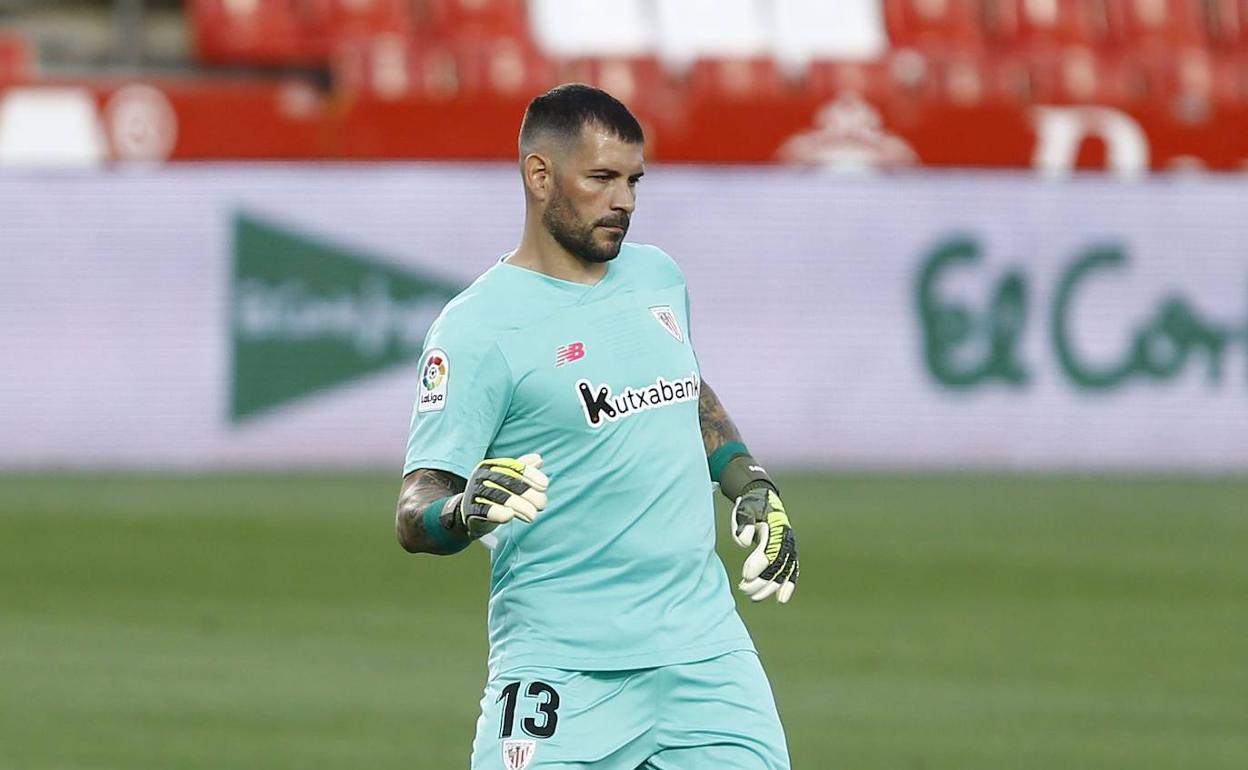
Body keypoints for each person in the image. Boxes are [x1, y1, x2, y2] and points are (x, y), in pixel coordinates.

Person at [395, 83, 799, 770]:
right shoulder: (476, 329)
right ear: (540, 176)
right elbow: (415, 508)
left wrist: (749, 481)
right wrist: (462, 510)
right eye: (602, 178)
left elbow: (686, 389)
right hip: (562, 671)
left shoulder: (657, 277)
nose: (625, 201)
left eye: (634, 180)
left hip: (705, 658)